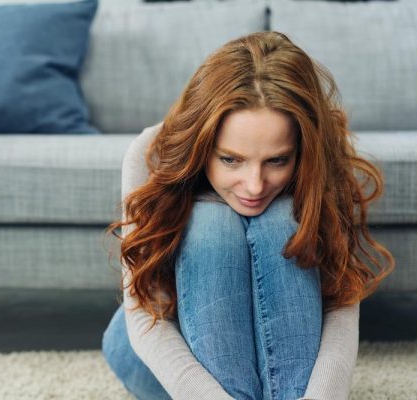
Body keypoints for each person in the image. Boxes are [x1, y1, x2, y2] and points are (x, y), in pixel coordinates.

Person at [102, 31, 395, 400]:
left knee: (284, 219)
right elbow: (146, 317)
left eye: (277, 160)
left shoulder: (320, 157)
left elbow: (340, 303)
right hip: (158, 341)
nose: (254, 186)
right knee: (211, 223)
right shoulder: (151, 153)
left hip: (276, 348)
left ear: (300, 150)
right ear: (201, 145)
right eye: (230, 160)